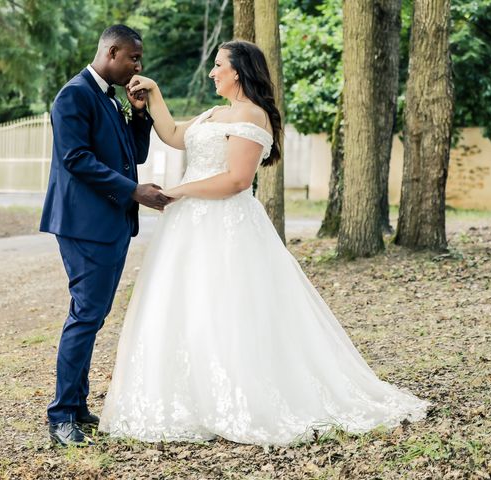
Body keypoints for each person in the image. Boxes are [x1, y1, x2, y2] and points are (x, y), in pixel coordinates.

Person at [98, 40, 429, 446]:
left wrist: (181, 191)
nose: (211, 72)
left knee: (229, 306)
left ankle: (239, 397)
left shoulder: (252, 116)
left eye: (218, 65)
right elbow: (173, 134)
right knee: (186, 304)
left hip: (226, 225)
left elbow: (237, 180)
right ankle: (191, 397)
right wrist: (154, 95)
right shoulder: (215, 113)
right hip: (188, 228)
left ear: (238, 71)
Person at [39, 24, 171, 447]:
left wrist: (136, 113)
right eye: (133, 58)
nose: (138, 66)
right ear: (112, 52)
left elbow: (136, 154)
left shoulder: (109, 98)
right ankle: (61, 415)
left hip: (110, 222)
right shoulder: (74, 95)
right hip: (85, 225)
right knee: (85, 315)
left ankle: (77, 405)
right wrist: (134, 190)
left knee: (92, 316)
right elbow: (75, 159)